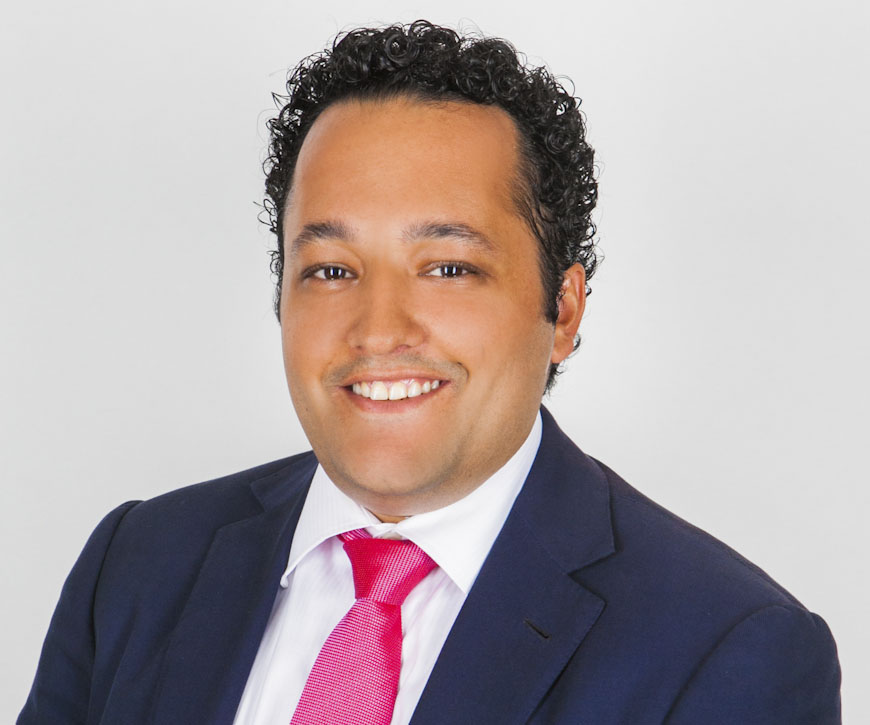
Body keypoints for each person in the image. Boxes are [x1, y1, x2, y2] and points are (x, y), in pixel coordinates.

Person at [19, 20, 840, 724]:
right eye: (331, 270)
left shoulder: (730, 652)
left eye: (448, 268)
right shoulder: (137, 565)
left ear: (563, 310)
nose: (379, 329)